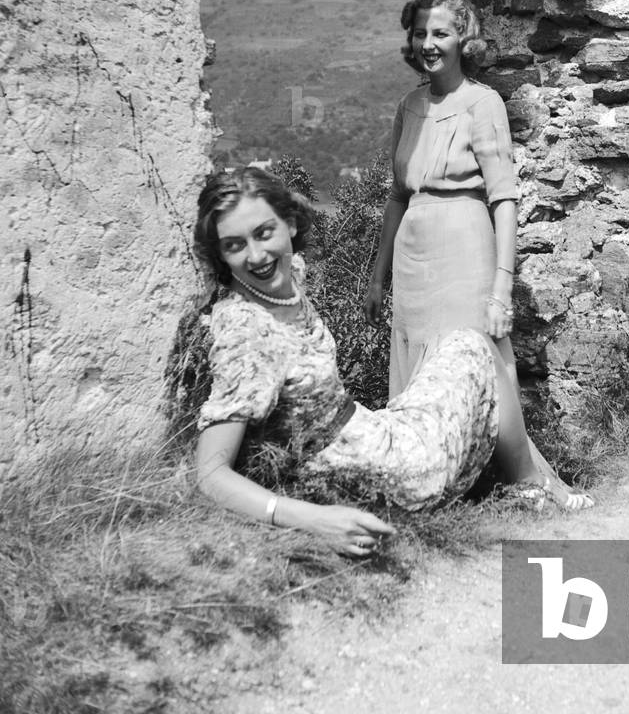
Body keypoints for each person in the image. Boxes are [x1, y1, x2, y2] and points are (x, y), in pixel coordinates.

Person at [192, 167, 587, 560]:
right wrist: (312, 519)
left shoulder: (286, 277)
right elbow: (211, 473)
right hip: (381, 478)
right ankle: (531, 486)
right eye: (234, 245)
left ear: (290, 224)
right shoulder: (246, 332)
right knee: (476, 351)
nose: (256, 256)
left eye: (264, 233)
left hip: (371, 435)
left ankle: (529, 486)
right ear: (220, 255)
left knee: (469, 342)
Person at [363, 0, 590, 509]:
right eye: (420, 33)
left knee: (485, 362)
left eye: (440, 33)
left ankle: (531, 482)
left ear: (464, 39)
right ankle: (425, 482)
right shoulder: (409, 106)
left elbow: (505, 198)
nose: (428, 44)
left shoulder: (483, 103)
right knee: (417, 371)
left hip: (466, 248)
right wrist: (379, 277)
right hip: (413, 258)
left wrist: (501, 287)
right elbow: (398, 197)